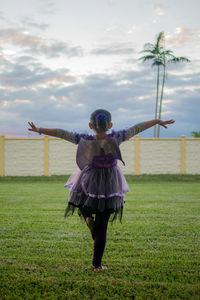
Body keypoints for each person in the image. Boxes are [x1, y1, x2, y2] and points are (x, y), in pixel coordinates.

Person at [28, 109, 175, 272]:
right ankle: (97, 265)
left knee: (81, 202)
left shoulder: (85, 139)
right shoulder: (117, 137)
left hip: (89, 179)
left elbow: (62, 133)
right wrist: (156, 121)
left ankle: (88, 218)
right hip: (110, 183)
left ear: (91, 125)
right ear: (110, 125)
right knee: (102, 226)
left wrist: (40, 130)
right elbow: (137, 128)